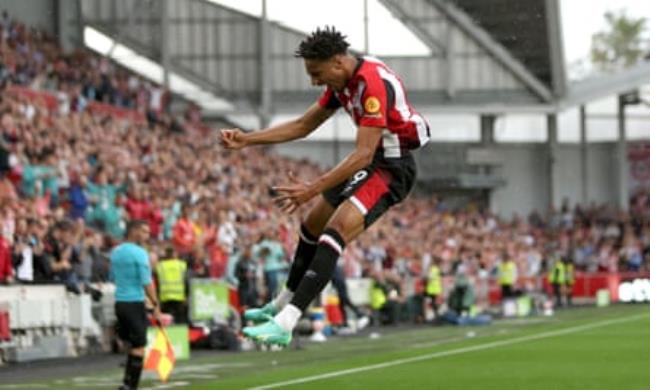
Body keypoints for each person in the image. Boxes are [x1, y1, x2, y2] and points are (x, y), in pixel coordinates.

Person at [221, 26, 430, 346]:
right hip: (371, 159)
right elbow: (304, 125)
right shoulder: (343, 80)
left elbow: (362, 154)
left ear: (337, 62)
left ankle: (287, 321)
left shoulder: (371, 86)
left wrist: (313, 187)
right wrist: (247, 140)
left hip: (392, 166)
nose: (314, 81)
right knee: (311, 226)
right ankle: (280, 305)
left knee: (333, 233)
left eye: (316, 73)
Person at [110, 220, 161, 390]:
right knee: (139, 346)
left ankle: (126, 383)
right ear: (135, 231)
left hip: (120, 303)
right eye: (145, 232)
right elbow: (147, 282)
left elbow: (112, 277)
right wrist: (155, 304)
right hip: (134, 303)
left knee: (132, 345)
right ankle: (131, 386)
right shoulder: (140, 253)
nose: (147, 236)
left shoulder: (115, 252)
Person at [155, 246, 188, 324]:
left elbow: (157, 283)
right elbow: (186, 281)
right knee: (180, 321)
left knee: (166, 322)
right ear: (175, 254)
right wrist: (186, 295)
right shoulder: (182, 265)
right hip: (179, 297)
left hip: (165, 297)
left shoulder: (160, 266)